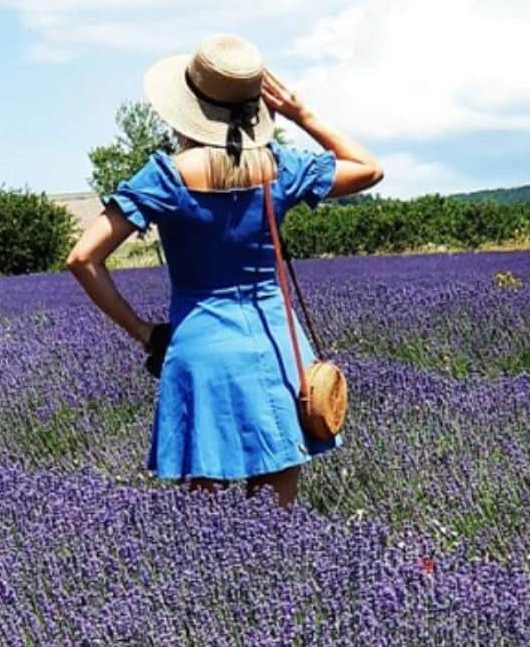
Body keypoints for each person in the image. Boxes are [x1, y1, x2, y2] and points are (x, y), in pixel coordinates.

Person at [67, 33, 383, 508]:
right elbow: (368, 169)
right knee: (277, 519)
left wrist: (142, 331)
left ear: (189, 104)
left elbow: (82, 258)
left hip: (201, 355)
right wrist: (303, 115)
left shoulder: (166, 177)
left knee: (207, 530)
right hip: (277, 346)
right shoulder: (280, 167)